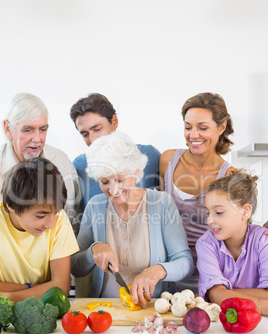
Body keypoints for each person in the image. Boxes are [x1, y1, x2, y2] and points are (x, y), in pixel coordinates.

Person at [71, 131, 194, 307]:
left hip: (151, 309)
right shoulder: (94, 206)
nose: (113, 191)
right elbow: (75, 266)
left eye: (120, 180)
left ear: (136, 173)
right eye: (105, 182)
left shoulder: (161, 203)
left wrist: (159, 270)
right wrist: (93, 251)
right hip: (104, 310)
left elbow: (185, 262)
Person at [159, 92, 235, 293]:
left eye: (203, 128)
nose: (193, 135)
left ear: (221, 127)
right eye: (187, 127)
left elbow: (233, 236)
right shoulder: (167, 160)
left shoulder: (229, 176)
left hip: (207, 273)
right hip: (165, 270)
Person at [0, 158, 79, 304]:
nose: (51, 224)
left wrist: (6, 297)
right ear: (10, 205)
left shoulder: (59, 219)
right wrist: (38, 288)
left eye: (55, 212)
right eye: (41, 215)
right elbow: (55, 290)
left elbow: (61, 287)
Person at [0, 92, 81, 234]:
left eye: (43, 129)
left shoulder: (61, 162)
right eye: (28, 129)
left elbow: (72, 220)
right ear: (8, 129)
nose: (38, 139)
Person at [70, 93, 161, 214]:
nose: (92, 139)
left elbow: (166, 203)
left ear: (114, 121)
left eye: (97, 129)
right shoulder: (79, 165)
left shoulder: (149, 155)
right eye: (85, 134)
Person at [196, 170, 268, 315]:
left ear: (245, 211)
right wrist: (261, 305)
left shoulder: (263, 240)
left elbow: (218, 295)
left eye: (219, 212)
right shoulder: (206, 244)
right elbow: (216, 295)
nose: (210, 220)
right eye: (208, 213)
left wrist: (224, 293)